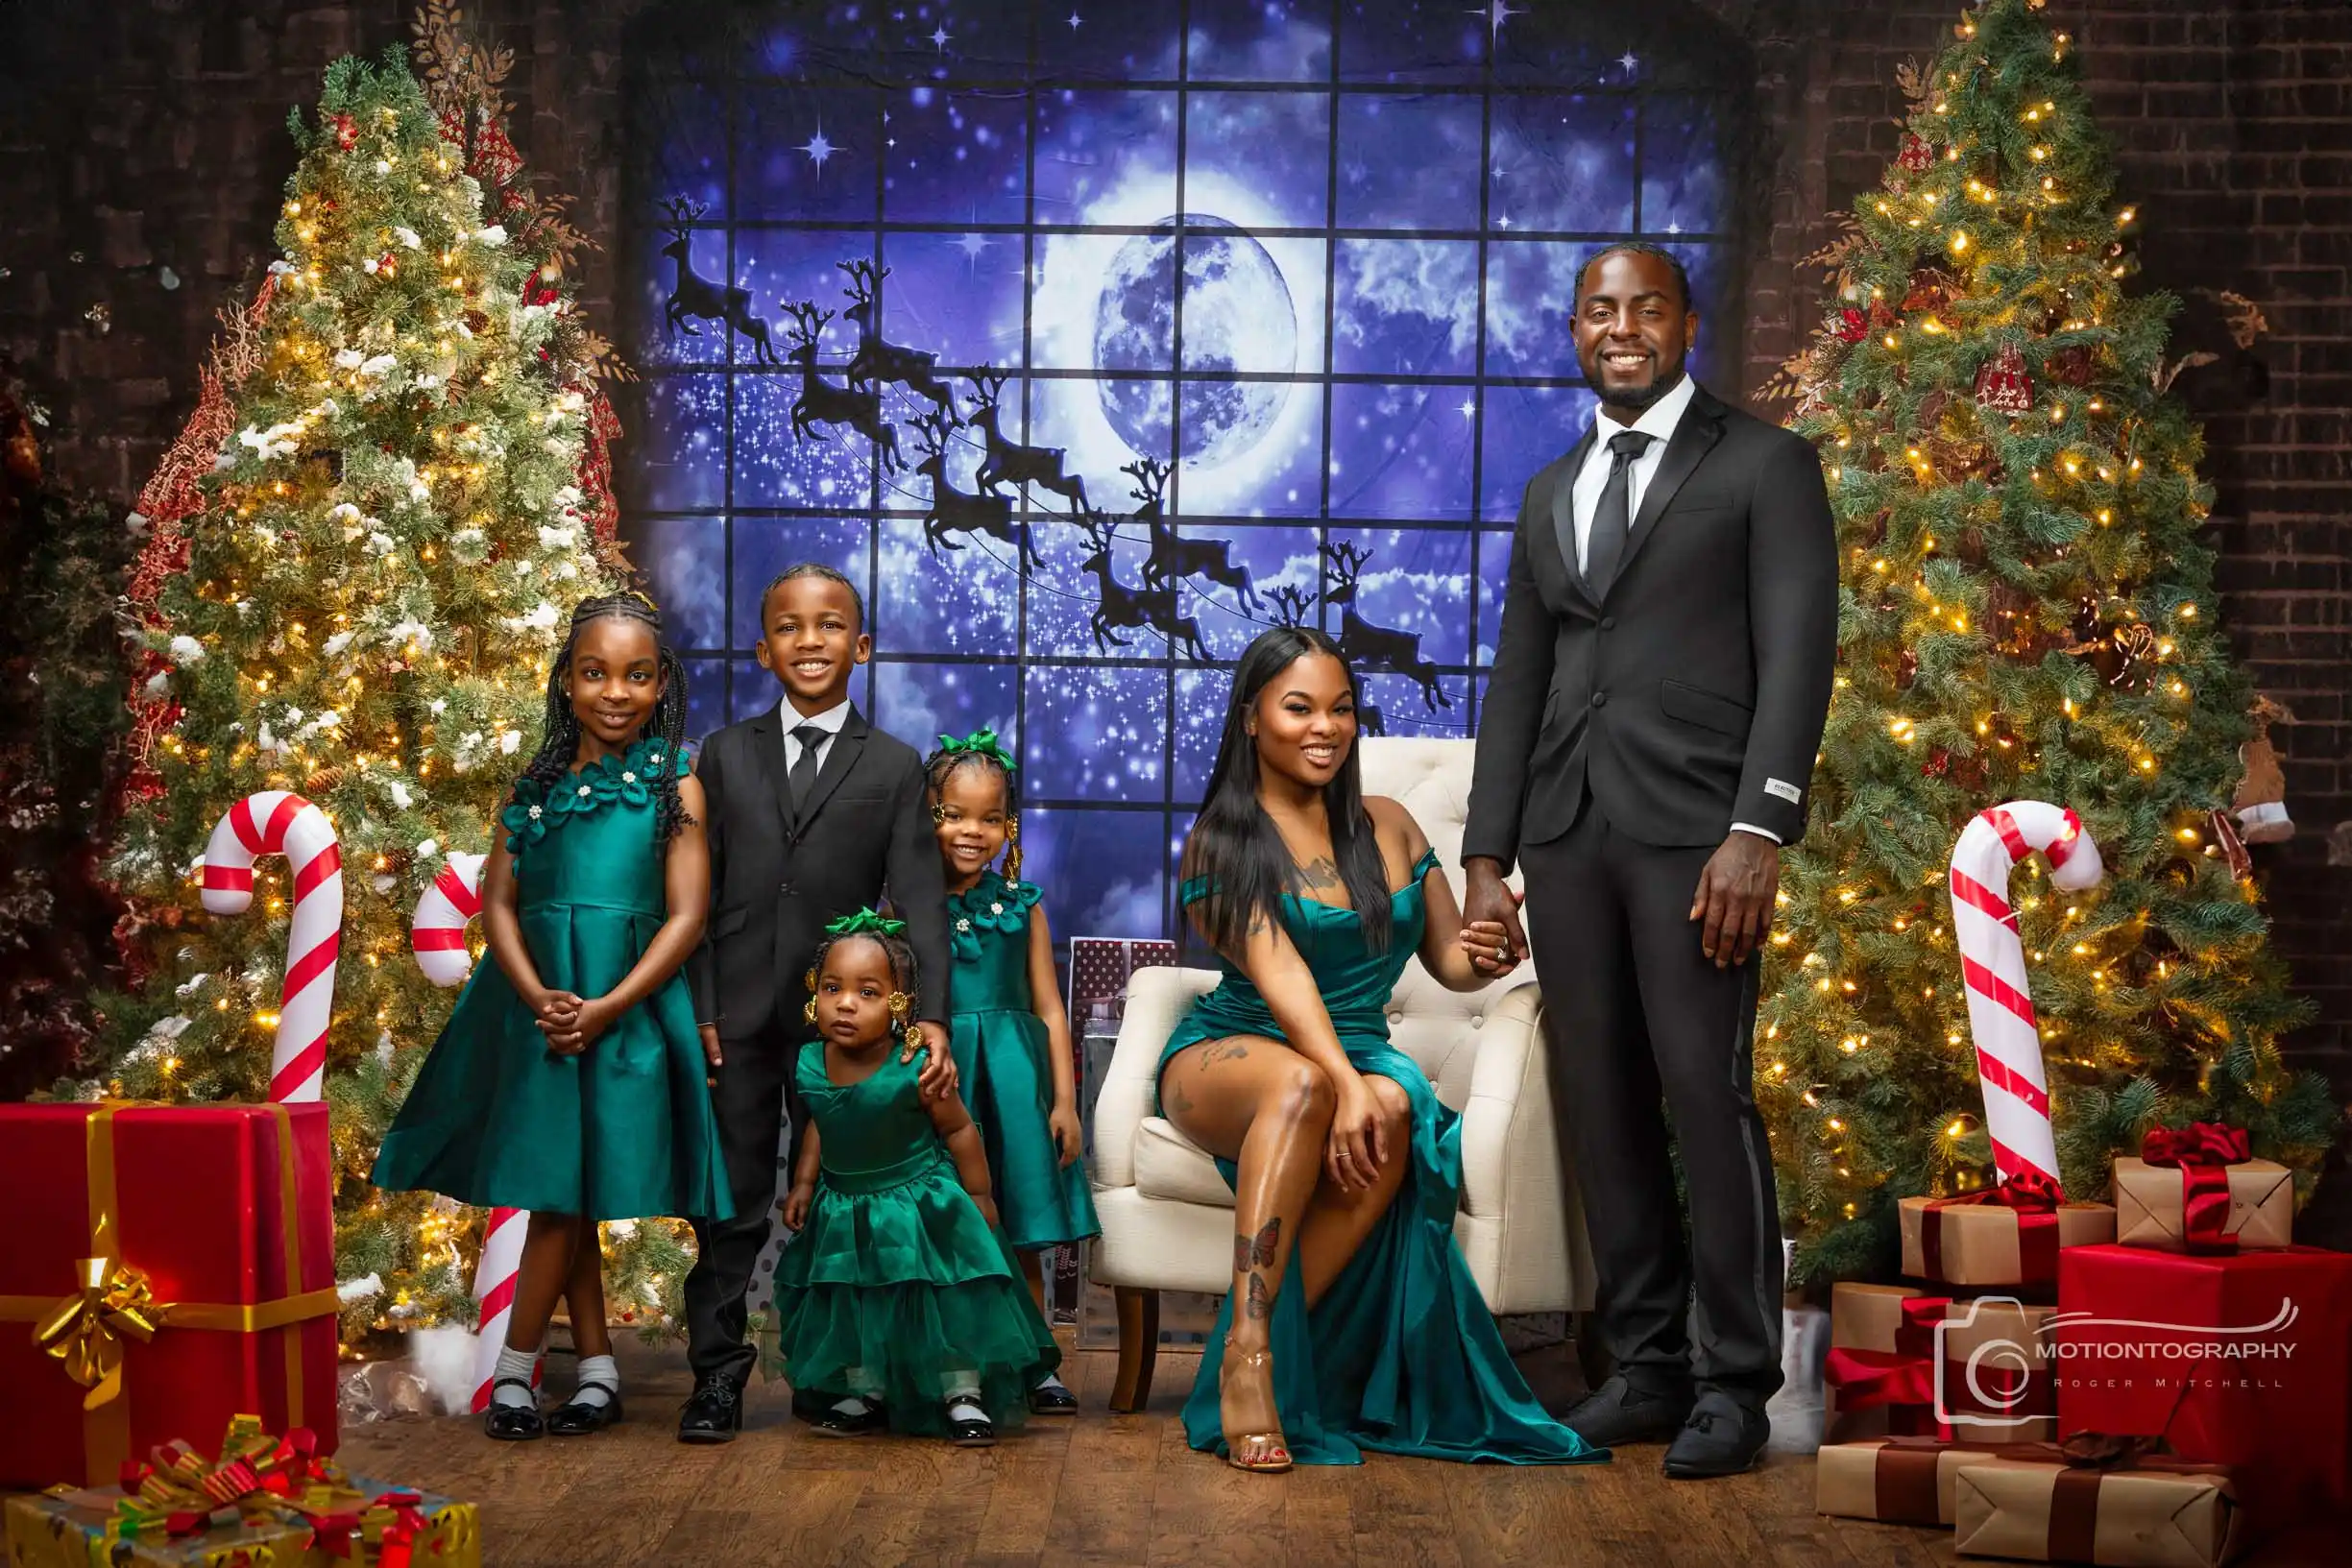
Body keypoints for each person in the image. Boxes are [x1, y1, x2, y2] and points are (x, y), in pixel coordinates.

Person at [1462, 241, 1837, 1479]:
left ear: (1687, 324)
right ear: (1575, 332)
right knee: (1603, 1100)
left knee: (1701, 1088)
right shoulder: (1549, 487)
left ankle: (1734, 1379)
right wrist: (1484, 852)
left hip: (1697, 835)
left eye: (1645, 308)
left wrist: (1759, 826)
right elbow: (1520, 678)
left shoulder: (1766, 465)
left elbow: (1797, 656)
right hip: (1568, 831)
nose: (1621, 328)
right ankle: (1642, 1367)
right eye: (1597, 312)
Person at [1154, 626, 1609, 1473]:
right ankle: (1246, 1353)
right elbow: (1282, 976)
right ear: (1251, 718)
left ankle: (1288, 1356)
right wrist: (1340, 1081)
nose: (1325, 726)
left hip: (1356, 1051)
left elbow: (1446, 961)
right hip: (1235, 1050)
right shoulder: (1221, 838)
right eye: (1298, 707)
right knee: (1304, 1088)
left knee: (1394, 1100)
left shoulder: (1390, 826)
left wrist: (1489, 946)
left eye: (1341, 708)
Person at [374, 591, 730, 1440]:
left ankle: (516, 1371)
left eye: (637, 675)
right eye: (596, 672)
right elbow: (498, 902)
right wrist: (539, 996)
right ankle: (589, 1369)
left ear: (660, 684)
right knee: (558, 1189)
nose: (616, 691)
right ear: (565, 681)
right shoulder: (533, 787)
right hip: (534, 1010)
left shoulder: (674, 784)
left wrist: (606, 1003)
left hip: (623, 1006)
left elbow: (687, 916)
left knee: (569, 1194)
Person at [677, 564, 958, 1443]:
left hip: (854, 1026)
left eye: (830, 625)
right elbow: (692, 893)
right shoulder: (722, 755)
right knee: (733, 1202)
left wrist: (928, 1016)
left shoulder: (897, 764)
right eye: (790, 627)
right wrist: (704, 1002)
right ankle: (717, 1375)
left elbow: (919, 902)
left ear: (860, 646)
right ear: (763, 650)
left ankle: (840, 1373)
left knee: (851, 1197)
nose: (810, 640)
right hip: (742, 1016)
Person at [765, 910, 1060, 1447]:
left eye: (868, 992)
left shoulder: (916, 1063)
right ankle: (865, 1388)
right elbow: (821, 1124)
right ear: (814, 993)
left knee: (941, 1299)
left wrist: (979, 1194)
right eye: (833, 988)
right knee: (859, 1301)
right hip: (847, 1206)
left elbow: (961, 1131)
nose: (847, 1003)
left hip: (920, 1205)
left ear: (901, 1004)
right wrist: (804, 1183)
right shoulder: (811, 1061)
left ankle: (961, 1391)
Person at [923, 728, 1098, 1414]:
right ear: (927, 816)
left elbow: (1051, 1010)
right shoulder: (904, 909)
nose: (973, 830)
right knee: (957, 1228)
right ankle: (953, 1366)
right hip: (943, 1085)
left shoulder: (1021, 907)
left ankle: (1035, 1361)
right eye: (954, 814)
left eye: (989, 817)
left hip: (1015, 1084)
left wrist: (1063, 1100)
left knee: (1020, 1226)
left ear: (1009, 826)